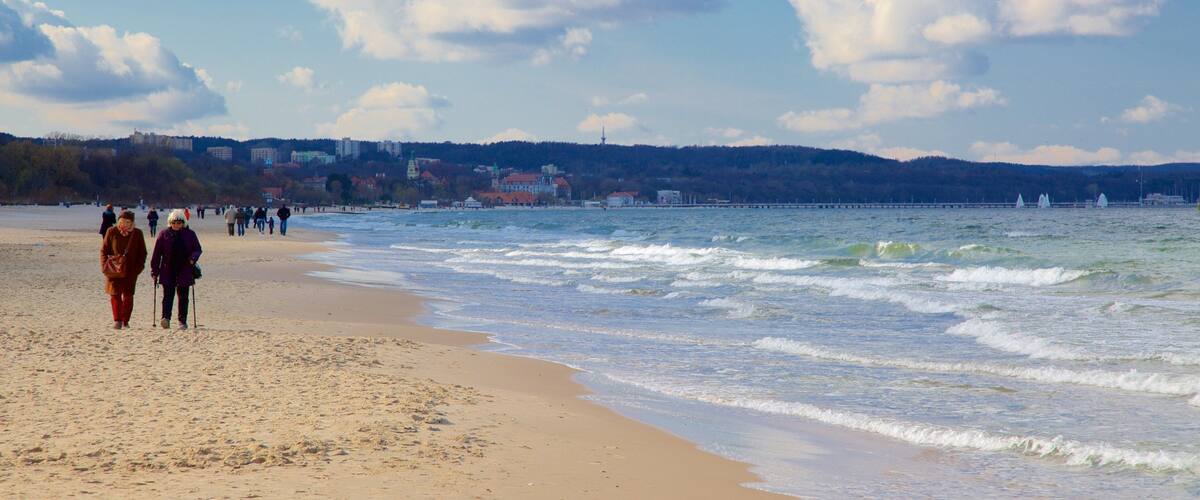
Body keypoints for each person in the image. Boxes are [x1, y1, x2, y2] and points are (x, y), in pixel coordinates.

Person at [150, 210, 202, 330]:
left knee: (183, 296)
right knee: (168, 295)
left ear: (183, 222)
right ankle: (165, 318)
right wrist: (155, 271)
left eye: (179, 222)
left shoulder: (190, 234)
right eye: (174, 222)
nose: (177, 225)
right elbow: (156, 254)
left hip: (185, 269)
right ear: (170, 222)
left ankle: (182, 321)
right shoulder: (164, 234)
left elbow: (198, 249)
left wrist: (192, 259)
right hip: (167, 269)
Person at [101, 210, 148, 329]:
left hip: (131, 270)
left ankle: (125, 320)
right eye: (122, 221)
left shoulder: (137, 233)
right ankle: (117, 320)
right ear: (118, 221)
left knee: (128, 296)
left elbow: (142, 253)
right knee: (115, 294)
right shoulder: (111, 231)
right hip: (113, 269)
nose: (125, 224)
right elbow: (104, 250)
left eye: (128, 222)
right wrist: (104, 266)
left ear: (132, 222)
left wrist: (138, 269)